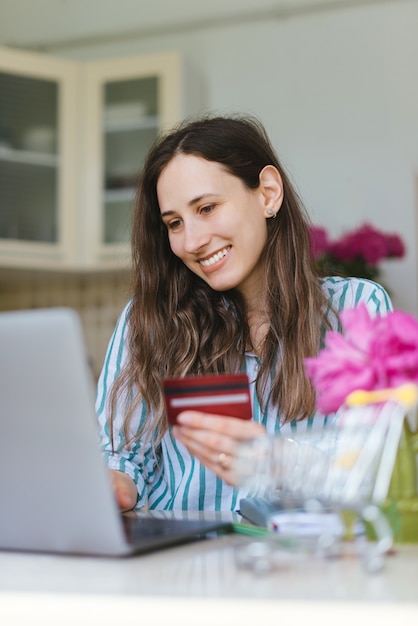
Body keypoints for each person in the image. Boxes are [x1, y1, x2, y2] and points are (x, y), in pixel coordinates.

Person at [96, 114, 392, 512]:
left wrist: (271, 460)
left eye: (207, 207)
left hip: (302, 563)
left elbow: (377, 468)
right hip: (181, 567)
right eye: (175, 223)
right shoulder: (147, 319)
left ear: (268, 193)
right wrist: (114, 484)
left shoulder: (355, 310)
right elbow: (123, 458)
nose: (193, 241)